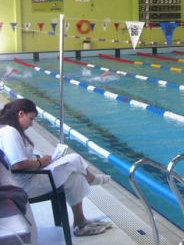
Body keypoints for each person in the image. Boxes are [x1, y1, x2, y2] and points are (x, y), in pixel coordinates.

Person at [0, 99, 112, 237]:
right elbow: (18, 164)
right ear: (21, 114)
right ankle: (91, 178)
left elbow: (19, 158)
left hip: (31, 178)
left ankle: (80, 222)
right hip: (27, 184)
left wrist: (39, 160)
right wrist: (40, 163)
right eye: (30, 119)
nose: (31, 124)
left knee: (75, 177)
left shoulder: (11, 130)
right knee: (75, 158)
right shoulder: (10, 132)